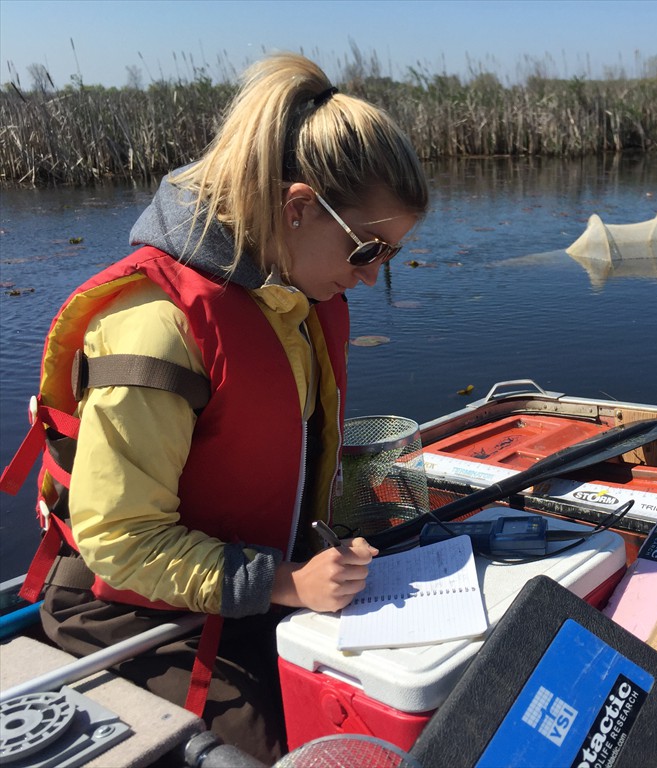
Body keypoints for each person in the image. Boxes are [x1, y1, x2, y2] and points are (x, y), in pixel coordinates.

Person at [2, 52, 429, 764]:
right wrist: (287, 581)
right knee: (310, 745)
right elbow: (122, 541)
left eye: (390, 255)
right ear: (296, 209)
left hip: (246, 589)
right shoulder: (157, 326)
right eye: (365, 248)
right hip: (126, 613)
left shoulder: (290, 299)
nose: (372, 274)